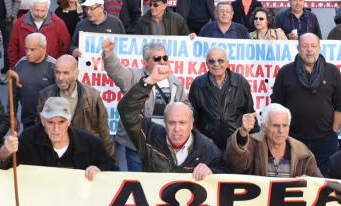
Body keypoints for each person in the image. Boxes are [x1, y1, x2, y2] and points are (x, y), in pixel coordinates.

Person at [118, 64, 223, 178]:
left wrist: (212, 171)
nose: (177, 129)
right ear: (164, 123)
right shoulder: (149, 136)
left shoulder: (208, 149)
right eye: (171, 123)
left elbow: (227, 173)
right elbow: (127, 111)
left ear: (192, 124)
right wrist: (149, 81)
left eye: (182, 123)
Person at [102, 41, 186, 171]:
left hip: (161, 145)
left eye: (165, 58)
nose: (162, 61)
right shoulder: (134, 77)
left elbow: (184, 107)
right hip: (134, 144)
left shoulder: (175, 82)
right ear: (145, 62)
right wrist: (109, 54)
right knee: (135, 180)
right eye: (157, 58)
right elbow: (116, 71)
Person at [271, 33, 341, 175]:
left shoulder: (332, 71)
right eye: (305, 46)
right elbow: (276, 105)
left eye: (313, 46)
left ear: (319, 48)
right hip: (293, 138)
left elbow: (340, 104)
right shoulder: (285, 72)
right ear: (298, 48)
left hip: (325, 139)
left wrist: (334, 132)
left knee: (324, 180)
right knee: (295, 178)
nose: (309, 50)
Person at [0, 97, 115, 175]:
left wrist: (100, 171)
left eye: (61, 122)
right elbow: (1, 163)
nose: (56, 129)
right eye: (50, 122)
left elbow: (112, 167)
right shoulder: (29, 138)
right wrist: (5, 150)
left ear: (69, 121)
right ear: (43, 121)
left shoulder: (90, 143)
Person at [37, 55, 114, 156]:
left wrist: (111, 163)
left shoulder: (93, 96)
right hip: (55, 156)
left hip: (85, 155)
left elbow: (104, 132)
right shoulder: (45, 95)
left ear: (76, 73)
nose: (60, 77)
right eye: (57, 72)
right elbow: (40, 129)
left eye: (65, 73)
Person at [225, 103, 322, 177]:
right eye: (275, 125)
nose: (281, 131)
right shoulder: (252, 144)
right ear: (263, 127)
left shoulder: (303, 152)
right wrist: (243, 133)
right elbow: (236, 166)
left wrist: (309, 182)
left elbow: (320, 184)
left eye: (285, 125)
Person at [188, 47, 254, 149]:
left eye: (220, 60)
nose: (216, 64)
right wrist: (199, 143)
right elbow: (192, 119)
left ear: (227, 62)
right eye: (211, 61)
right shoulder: (198, 84)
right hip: (207, 147)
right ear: (206, 64)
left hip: (236, 144)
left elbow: (250, 114)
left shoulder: (241, 82)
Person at [8, 0, 71, 69]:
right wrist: (16, 67)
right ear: (30, 8)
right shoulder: (19, 23)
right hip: (25, 68)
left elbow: (65, 47)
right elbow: (12, 48)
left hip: (50, 69)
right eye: (36, 10)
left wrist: (59, 67)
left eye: (43, 11)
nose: (39, 14)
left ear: (48, 9)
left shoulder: (58, 23)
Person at [9, 33, 56, 129]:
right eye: (26, 49)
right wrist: (12, 117)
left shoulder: (54, 66)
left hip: (50, 122)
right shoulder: (20, 64)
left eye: (32, 49)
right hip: (27, 121)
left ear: (44, 48)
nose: (28, 53)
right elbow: (13, 94)